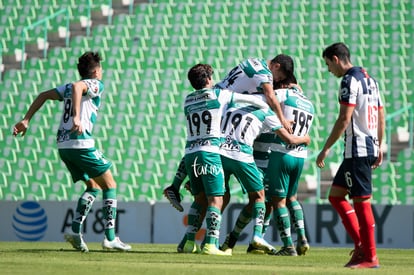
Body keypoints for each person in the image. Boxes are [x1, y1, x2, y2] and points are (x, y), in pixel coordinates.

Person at [13, 51, 131, 253]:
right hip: (80, 143)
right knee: (110, 184)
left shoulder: (66, 88)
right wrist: (77, 117)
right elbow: (79, 86)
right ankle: (110, 238)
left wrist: (26, 119)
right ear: (95, 71)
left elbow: (43, 95)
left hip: (64, 146)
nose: (101, 72)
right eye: (100, 69)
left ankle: (76, 232)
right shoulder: (94, 84)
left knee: (93, 186)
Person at [164, 55, 295, 211]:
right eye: (278, 77)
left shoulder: (253, 61)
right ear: (276, 66)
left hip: (216, 96)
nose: (276, 80)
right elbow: (270, 95)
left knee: (199, 141)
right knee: (206, 143)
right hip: (222, 104)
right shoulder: (264, 72)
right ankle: (181, 185)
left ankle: (178, 185)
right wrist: (283, 120)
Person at [181, 63, 269, 255]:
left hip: (190, 153)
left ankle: (189, 242)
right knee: (216, 200)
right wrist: (264, 102)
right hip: (210, 152)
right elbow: (252, 100)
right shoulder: (220, 95)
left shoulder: (187, 99)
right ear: (208, 79)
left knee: (199, 199)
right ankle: (211, 244)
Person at [316, 42, 384, 268]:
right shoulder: (371, 81)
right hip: (369, 146)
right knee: (335, 196)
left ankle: (370, 257)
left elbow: (344, 119)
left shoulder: (349, 80)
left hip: (357, 149)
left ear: (336, 59)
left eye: (328, 65)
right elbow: (381, 115)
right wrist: (380, 144)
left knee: (362, 202)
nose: (329, 70)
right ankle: (360, 247)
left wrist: (326, 148)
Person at [218, 90, 311, 256]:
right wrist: (303, 138)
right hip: (257, 160)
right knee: (260, 201)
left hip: (269, 159)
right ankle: (244, 238)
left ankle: (245, 239)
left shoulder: (272, 112)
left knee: (264, 203)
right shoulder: (266, 112)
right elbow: (283, 135)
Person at [264, 75, 314, 256]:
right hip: (300, 156)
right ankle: (302, 237)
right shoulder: (309, 103)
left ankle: (287, 246)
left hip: (282, 152)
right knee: (293, 198)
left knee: (278, 201)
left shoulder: (283, 94)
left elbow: (267, 97)